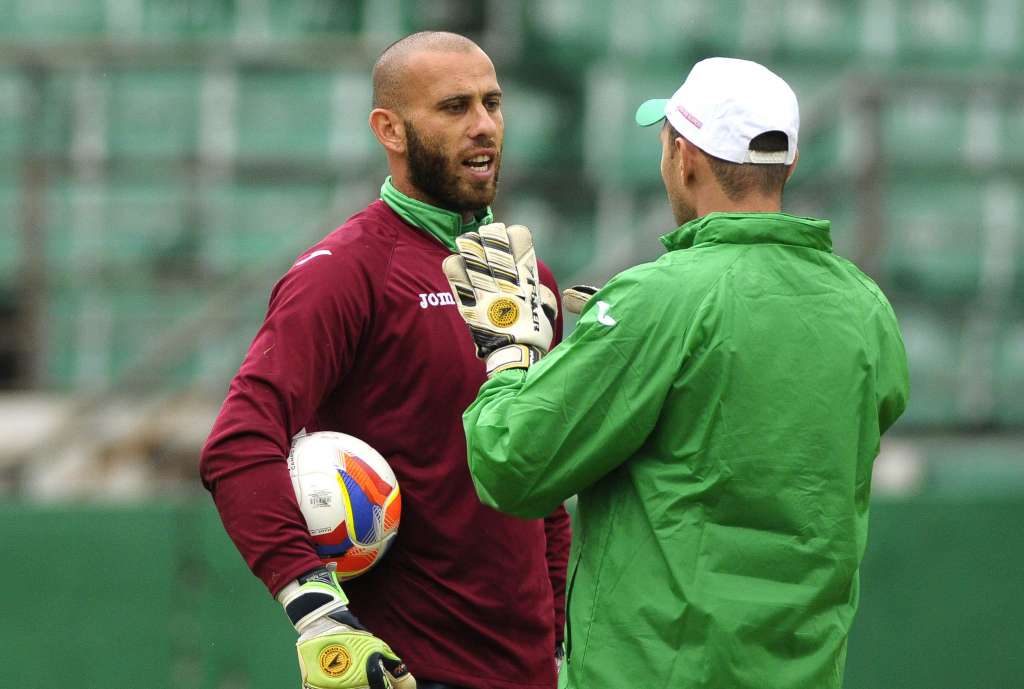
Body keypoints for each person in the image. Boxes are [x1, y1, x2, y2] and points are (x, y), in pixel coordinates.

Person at [443, 57, 910, 689]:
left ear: (683, 156)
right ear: (789, 164)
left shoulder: (659, 299)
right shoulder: (866, 304)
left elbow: (511, 463)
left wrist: (509, 350)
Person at [200, 31, 571, 689]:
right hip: (406, 671)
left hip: (532, 673)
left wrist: (562, 639)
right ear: (390, 130)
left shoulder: (523, 275)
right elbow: (238, 445)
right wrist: (319, 614)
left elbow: (539, 484)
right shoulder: (347, 272)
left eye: (493, 103)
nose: (484, 126)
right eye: (455, 108)